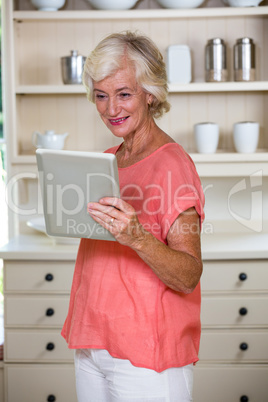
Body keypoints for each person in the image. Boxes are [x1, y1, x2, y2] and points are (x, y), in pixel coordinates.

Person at [61, 31, 205, 402]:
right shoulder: (108, 159)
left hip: (146, 354)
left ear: (150, 94)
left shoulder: (173, 165)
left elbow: (188, 274)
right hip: (95, 341)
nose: (111, 109)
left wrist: (138, 236)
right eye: (101, 95)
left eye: (124, 94)